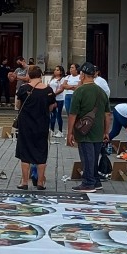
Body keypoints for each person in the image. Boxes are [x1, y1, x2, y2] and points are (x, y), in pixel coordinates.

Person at [67, 62, 112, 193]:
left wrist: (70, 133)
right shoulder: (101, 92)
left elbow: (72, 114)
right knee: (94, 155)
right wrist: (106, 131)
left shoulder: (79, 91)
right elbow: (107, 114)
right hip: (98, 129)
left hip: (84, 130)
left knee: (87, 156)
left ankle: (88, 182)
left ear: (82, 75)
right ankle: (96, 180)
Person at [15, 66, 56, 190]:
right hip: (42, 124)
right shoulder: (48, 90)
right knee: (41, 152)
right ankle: (40, 182)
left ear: (29, 75)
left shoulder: (23, 89)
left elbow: (18, 105)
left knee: (25, 153)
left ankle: (24, 182)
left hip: (26, 124)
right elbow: (51, 107)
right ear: (41, 75)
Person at [48, 65, 66, 137]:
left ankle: (60, 131)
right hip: (52, 98)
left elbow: (61, 89)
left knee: (58, 115)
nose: (55, 71)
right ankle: (51, 130)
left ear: (61, 72)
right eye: (55, 70)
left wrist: (53, 94)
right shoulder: (52, 79)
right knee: (52, 114)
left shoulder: (62, 79)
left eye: (57, 70)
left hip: (59, 99)